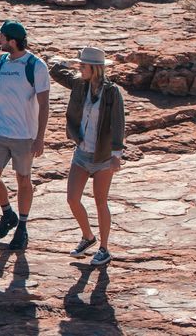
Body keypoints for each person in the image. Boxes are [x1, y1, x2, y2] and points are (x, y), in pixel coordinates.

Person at [0, 19, 49, 250]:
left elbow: (44, 103)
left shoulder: (35, 65)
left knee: (23, 180)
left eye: (1, 37)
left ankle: (22, 227)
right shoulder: (0, 64)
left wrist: (40, 137)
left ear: (12, 41)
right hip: (1, 131)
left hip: (24, 135)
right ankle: (8, 214)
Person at [65, 46, 124, 267]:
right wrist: (65, 63)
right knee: (72, 198)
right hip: (82, 151)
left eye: (83, 65)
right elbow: (56, 72)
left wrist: (116, 155)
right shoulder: (80, 85)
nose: (80, 68)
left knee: (101, 201)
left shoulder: (111, 92)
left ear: (95, 68)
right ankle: (88, 237)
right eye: (79, 65)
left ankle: (104, 249)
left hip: (103, 155)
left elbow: (118, 123)